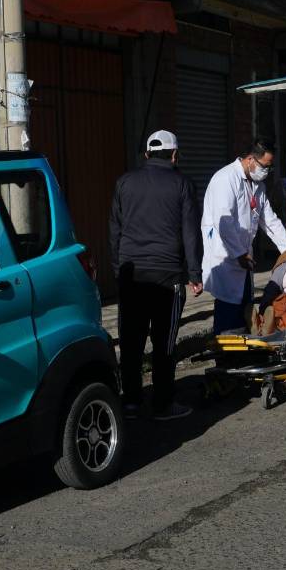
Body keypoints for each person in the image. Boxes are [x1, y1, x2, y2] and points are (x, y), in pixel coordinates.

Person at [109, 130, 203, 421]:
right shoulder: (182, 184)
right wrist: (194, 272)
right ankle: (163, 404)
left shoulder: (124, 182)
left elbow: (115, 230)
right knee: (164, 344)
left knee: (131, 342)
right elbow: (190, 232)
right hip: (167, 276)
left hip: (132, 275)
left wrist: (118, 269)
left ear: (147, 155)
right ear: (174, 155)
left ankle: (131, 403)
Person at [202, 138, 286, 334]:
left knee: (246, 312)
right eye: (265, 166)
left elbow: (269, 221)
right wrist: (239, 253)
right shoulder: (225, 179)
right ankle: (226, 360)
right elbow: (223, 222)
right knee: (228, 312)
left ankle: (243, 358)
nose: (266, 171)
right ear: (250, 159)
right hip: (226, 257)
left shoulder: (257, 185)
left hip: (244, 258)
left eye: (270, 167)